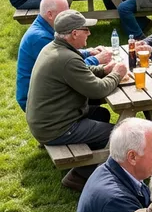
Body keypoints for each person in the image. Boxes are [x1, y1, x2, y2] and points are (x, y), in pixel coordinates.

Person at [26, 10, 128, 191]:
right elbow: (97, 90)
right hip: (57, 128)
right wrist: (117, 74)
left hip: (45, 121)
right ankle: (79, 175)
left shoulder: (53, 49)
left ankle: (88, 159)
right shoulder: (67, 58)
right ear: (74, 34)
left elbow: (81, 73)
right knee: (118, 135)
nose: (89, 33)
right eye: (86, 30)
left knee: (101, 113)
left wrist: (104, 70)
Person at [16, 0, 111, 112]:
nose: (67, 16)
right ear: (50, 15)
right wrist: (96, 60)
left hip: (51, 90)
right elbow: (68, 66)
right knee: (95, 93)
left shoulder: (45, 30)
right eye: (63, 13)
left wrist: (88, 52)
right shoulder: (40, 38)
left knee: (98, 107)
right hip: (39, 102)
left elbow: (66, 58)